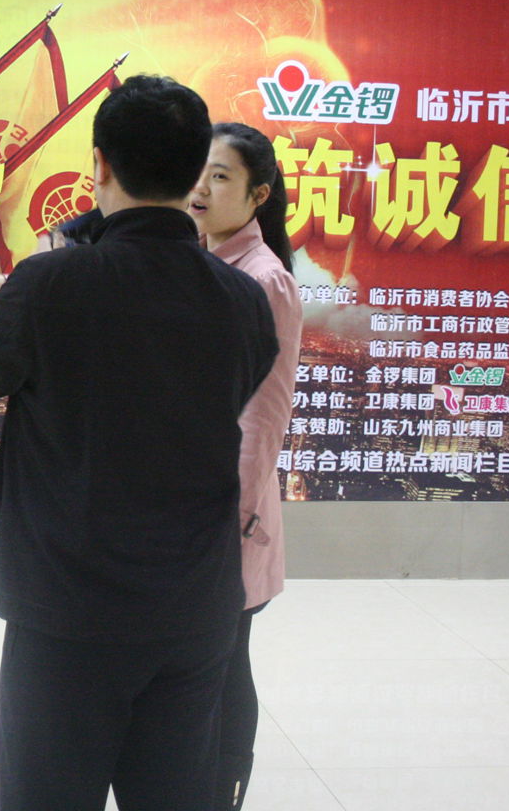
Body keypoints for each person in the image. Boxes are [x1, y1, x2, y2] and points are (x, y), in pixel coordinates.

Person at [0, 75, 279, 811]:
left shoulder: (52, 282)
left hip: (69, 611)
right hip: (194, 606)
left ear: (100, 166)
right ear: (193, 173)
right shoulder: (242, 299)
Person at [188, 123, 303, 811]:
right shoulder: (203, 262)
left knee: (227, 663)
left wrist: (229, 519)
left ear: (258, 195)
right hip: (196, 511)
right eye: (199, 171)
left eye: (222, 176)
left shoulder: (265, 281)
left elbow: (264, 416)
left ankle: (224, 791)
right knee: (199, 666)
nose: (202, 187)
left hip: (230, 515)